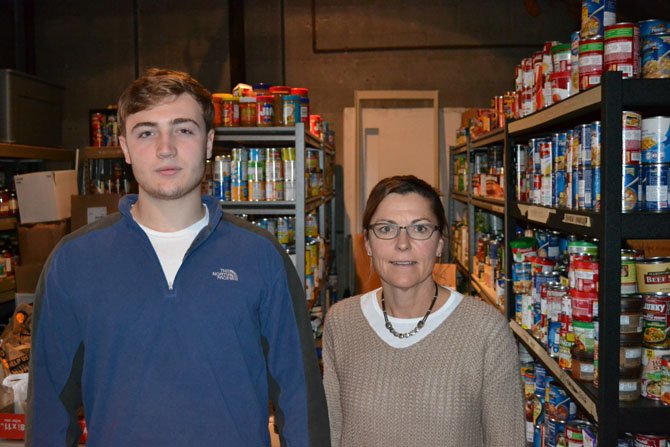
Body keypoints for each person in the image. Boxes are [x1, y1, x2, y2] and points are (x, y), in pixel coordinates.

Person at [26, 68, 330, 446]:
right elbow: (49, 412)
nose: (165, 147)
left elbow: (300, 398)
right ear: (124, 148)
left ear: (208, 143)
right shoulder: (74, 261)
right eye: (146, 132)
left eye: (183, 129)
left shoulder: (259, 256)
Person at [323, 175, 524, 446]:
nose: (402, 243)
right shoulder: (342, 321)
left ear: (440, 243)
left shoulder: (485, 330)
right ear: (368, 243)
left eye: (419, 229)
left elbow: (506, 441)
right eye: (385, 229)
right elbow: (333, 433)